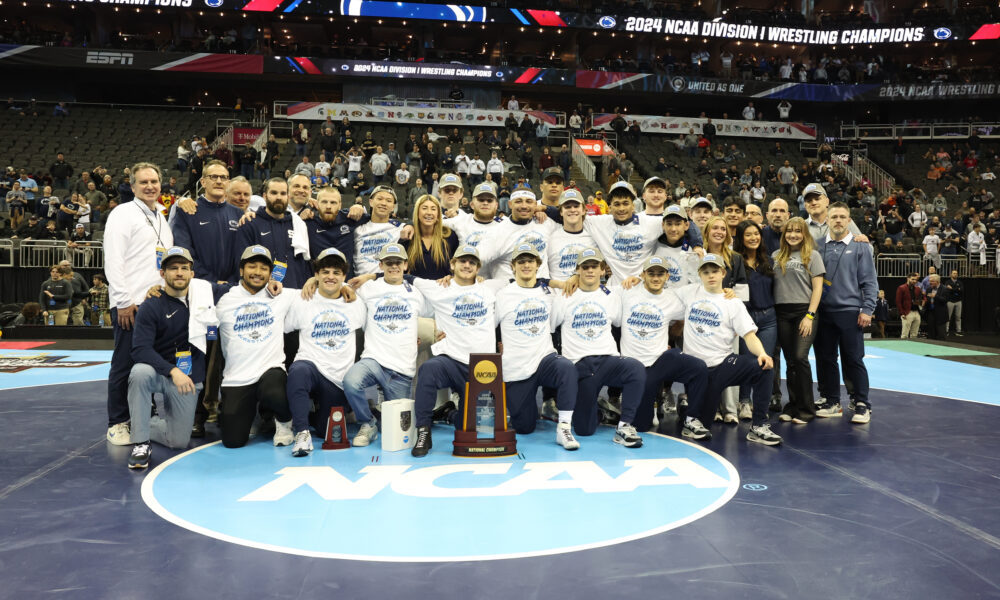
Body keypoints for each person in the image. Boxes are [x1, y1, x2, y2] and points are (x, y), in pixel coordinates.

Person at [126, 247, 217, 469]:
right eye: (173, 268)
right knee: (139, 372)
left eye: (184, 268)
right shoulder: (151, 304)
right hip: (160, 373)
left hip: (187, 377)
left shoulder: (204, 296)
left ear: (192, 274)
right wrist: (172, 371)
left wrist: (311, 280)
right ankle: (140, 441)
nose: (179, 273)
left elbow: (240, 287)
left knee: (178, 442)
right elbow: (140, 349)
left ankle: (142, 422)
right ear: (162, 273)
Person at [103, 162, 174, 445]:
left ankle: (144, 413)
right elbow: (114, 260)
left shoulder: (160, 216)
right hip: (130, 303)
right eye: (143, 182)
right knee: (124, 363)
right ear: (132, 186)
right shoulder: (123, 214)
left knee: (148, 364)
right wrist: (122, 301)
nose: (150, 186)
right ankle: (118, 422)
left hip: (156, 304)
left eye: (154, 181)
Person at [677, 254, 781, 445]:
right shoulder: (688, 292)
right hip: (696, 368)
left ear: (723, 273)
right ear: (699, 274)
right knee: (702, 423)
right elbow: (657, 294)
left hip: (723, 364)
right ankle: (686, 411)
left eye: (715, 271)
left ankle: (758, 426)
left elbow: (749, 335)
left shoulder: (733, 302)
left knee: (764, 368)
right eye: (706, 272)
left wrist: (762, 354)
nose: (711, 276)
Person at [553, 248, 646, 445]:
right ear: (577, 270)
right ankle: (599, 411)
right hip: (580, 365)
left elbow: (620, 320)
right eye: (585, 267)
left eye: (594, 266)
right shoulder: (564, 295)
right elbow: (552, 326)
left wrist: (637, 278)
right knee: (585, 430)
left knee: (635, 368)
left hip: (607, 360)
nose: (590, 271)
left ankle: (624, 426)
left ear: (602, 270)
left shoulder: (612, 295)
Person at [495, 243, 579, 446]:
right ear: (513, 266)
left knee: (566, 368)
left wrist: (574, 277)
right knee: (524, 427)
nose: (526, 265)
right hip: (516, 367)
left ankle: (564, 429)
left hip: (544, 358)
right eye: (521, 261)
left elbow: (557, 321)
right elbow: (488, 326)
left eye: (530, 261)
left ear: (538, 265)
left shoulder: (549, 293)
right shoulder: (502, 295)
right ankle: (528, 410)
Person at [342, 244, 426, 446]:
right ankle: (368, 423)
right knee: (351, 382)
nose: (394, 267)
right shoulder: (368, 288)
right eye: (389, 263)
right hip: (374, 360)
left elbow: (432, 315)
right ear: (381, 265)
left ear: (405, 265)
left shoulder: (417, 293)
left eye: (398, 262)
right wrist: (312, 280)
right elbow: (339, 286)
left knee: (399, 433)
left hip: (402, 370)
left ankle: (381, 413)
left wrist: (431, 334)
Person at [284, 248, 366, 457]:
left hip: (338, 379)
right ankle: (301, 433)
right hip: (311, 366)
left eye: (336, 273)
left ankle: (309, 415)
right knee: (298, 371)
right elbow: (283, 329)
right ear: (316, 275)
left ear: (344, 276)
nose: (330, 277)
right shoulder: (302, 299)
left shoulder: (356, 302)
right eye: (325, 272)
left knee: (325, 430)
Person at [216, 245, 296, 448]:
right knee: (232, 442)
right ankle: (255, 416)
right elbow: (189, 289)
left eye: (263, 268)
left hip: (270, 371)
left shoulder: (282, 295)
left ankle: (285, 422)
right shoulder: (224, 299)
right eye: (252, 267)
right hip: (237, 377)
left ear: (270, 274)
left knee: (274, 391)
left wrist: (314, 280)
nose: (258, 273)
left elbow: (318, 290)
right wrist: (156, 289)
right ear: (241, 270)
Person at [619, 255, 708, 433]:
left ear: (667, 277)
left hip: (661, 360)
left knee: (699, 367)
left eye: (660, 274)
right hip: (635, 365)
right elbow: (596, 289)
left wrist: (727, 293)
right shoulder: (627, 292)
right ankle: (645, 404)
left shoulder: (672, 298)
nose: (656, 278)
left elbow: (701, 296)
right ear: (643, 274)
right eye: (651, 273)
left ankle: (691, 418)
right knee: (641, 426)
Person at [814, 203, 877, 423]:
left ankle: (861, 403)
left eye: (842, 216)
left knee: (853, 358)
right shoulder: (817, 246)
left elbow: (870, 281)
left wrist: (867, 309)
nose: (838, 220)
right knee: (825, 359)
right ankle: (831, 401)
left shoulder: (860, 247)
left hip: (850, 311)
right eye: (834, 217)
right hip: (823, 312)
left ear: (849, 220)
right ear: (827, 221)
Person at [771, 217, 824, 423]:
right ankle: (792, 406)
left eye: (798, 231)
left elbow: (818, 288)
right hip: (782, 312)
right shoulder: (776, 256)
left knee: (801, 358)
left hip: (804, 312)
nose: (793, 235)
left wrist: (809, 316)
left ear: (805, 234)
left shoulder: (813, 255)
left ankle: (806, 409)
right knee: (790, 361)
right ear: (784, 234)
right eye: (789, 231)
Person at [733, 220, 777, 422]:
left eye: (756, 234)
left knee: (764, 362)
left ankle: (761, 405)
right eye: (748, 234)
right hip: (744, 319)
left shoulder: (769, 261)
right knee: (748, 362)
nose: (753, 238)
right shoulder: (735, 261)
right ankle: (744, 402)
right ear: (741, 238)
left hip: (768, 318)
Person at [235, 178, 311, 288]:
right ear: (265, 196)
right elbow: (241, 263)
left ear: (288, 197)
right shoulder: (250, 224)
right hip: (261, 293)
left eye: (283, 193)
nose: (279, 197)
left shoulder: (298, 224)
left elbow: (304, 262)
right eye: (274, 193)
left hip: (293, 294)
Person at [895, 272, 923, 339]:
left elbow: (921, 299)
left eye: (916, 280)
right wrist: (902, 313)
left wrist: (920, 302)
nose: (914, 281)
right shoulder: (901, 288)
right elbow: (898, 302)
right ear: (908, 279)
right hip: (907, 312)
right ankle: (902, 348)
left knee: (914, 334)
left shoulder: (918, 289)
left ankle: (913, 348)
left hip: (916, 312)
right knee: (905, 334)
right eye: (912, 279)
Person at [923, 274, 949, 340]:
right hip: (931, 313)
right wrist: (923, 303)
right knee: (931, 334)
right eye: (929, 281)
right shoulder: (928, 289)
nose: (930, 283)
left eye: (932, 281)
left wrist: (935, 296)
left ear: (937, 282)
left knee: (941, 334)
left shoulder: (944, 289)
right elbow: (926, 300)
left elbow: (945, 300)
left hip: (941, 315)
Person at [944, 269, 963, 336]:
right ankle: (946, 330)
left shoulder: (960, 282)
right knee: (948, 317)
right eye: (954, 273)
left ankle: (958, 331)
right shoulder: (947, 282)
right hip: (950, 301)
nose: (955, 274)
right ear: (951, 274)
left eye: (956, 273)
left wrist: (952, 289)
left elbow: (961, 290)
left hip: (958, 301)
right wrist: (957, 289)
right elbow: (947, 291)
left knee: (958, 317)